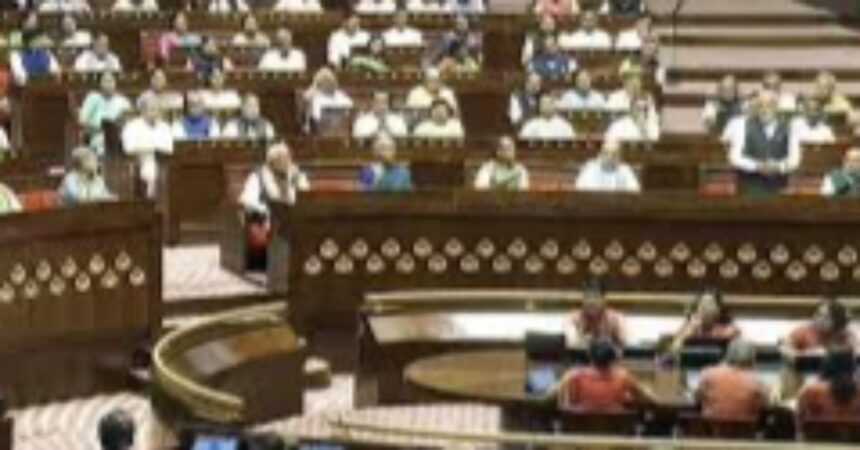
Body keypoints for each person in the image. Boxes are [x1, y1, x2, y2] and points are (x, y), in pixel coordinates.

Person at [726, 89, 801, 196]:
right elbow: (734, 157)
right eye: (760, 105)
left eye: (769, 105)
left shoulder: (790, 127)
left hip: (779, 188)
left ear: (777, 107)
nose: (765, 109)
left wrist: (779, 167)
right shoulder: (742, 125)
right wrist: (756, 166)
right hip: (749, 188)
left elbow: (795, 159)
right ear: (756, 108)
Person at [549, 338, 656, 411]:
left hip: (580, 432)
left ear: (590, 356)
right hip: (615, 433)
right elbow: (649, 400)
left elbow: (561, 404)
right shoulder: (623, 377)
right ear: (613, 359)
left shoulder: (573, 376)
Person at [239, 141, 309, 233]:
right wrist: (265, 210)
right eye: (279, 160)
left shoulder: (296, 174)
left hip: (294, 221)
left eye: (286, 159)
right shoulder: (258, 176)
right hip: (267, 223)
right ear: (270, 162)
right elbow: (247, 200)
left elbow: (305, 194)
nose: (284, 163)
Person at [694, 339, 771, 420]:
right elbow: (765, 406)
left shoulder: (707, 375)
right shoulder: (757, 383)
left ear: (727, 355)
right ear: (752, 359)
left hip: (710, 427)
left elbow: (698, 399)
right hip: (744, 427)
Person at [121, 95, 174, 198]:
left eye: (158, 109)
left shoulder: (165, 127)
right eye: (152, 109)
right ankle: (154, 202)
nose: (156, 113)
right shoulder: (132, 127)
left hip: (165, 162)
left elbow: (171, 148)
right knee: (153, 173)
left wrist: (157, 151)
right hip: (143, 162)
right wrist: (152, 150)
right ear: (143, 111)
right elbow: (128, 149)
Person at [668, 288, 741, 354]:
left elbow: (736, 353)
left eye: (710, 304)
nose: (705, 308)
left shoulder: (729, 329)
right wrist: (691, 329)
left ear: (719, 308)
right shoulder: (689, 326)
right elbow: (673, 350)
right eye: (702, 304)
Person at [781, 297, 855, 357]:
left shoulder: (845, 335)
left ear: (837, 321)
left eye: (825, 317)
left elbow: (854, 352)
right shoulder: (803, 332)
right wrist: (806, 354)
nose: (817, 318)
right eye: (818, 314)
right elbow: (785, 349)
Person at [797, 348, 860, 420]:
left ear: (825, 366)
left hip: (819, 427)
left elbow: (799, 421)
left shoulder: (808, 393)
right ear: (852, 368)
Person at [78, 71, 132, 154]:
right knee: (100, 143)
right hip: (97, 134)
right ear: (100, 84)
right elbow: (82, 120)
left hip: (119, 136)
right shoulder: (92, 98)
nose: (108, 84)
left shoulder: (123, 101)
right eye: (106, 81)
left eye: (111, 81)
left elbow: (129, 121)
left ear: (115, 83)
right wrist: (99, 128)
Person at [569, 279, 626, 347]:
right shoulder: (574, 319)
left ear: (603, 300)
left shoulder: (616, 319)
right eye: (587, 297)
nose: (591, 302)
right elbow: (571, 343)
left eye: (595, 297)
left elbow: (627, 343)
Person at [574, 139, 640, 192]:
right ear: (600, 154)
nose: (609, 157)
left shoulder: (625, 170)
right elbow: (579, 189)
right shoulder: (590, 168)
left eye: (614, 154)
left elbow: (635, 191)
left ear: (619, 157)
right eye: (606, 153)